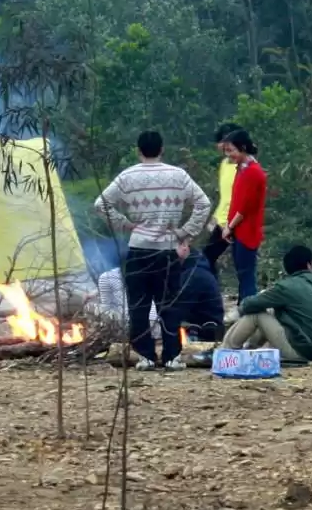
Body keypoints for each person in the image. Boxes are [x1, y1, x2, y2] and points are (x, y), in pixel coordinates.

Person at [93, 129, 212, 370]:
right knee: (169, 304)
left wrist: (126, 224)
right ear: (162, 149)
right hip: (167, 250)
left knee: (139, 305)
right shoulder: (178, 175)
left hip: (138, 249)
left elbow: (101, 204)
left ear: (138, 151)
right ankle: (171, 357)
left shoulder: (127, 177)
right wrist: (183, 232)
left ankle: (145, 357)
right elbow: (203, 203)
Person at [224, 244, 312, 364]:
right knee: (271, 312)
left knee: (257, 315)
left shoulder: (287, 287)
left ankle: (226, 351)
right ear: (309, 265)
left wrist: (237, 311)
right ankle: (249, 349)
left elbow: (251, 304)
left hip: (301, 353)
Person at [220, 126, 267, 301]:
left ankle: (249, 312)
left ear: (243, 148)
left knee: (247, 276)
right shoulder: (242, 169)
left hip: (247, 231)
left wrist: (229, 227)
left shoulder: (254, 172)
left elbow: (245, 208)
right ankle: (244, 308)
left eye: (231, 150)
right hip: (239, 230)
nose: (228, 155)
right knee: (242, 274)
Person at [160, 250, 226, 358]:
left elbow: (180, 307)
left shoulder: (193, 275)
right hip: (208, 322)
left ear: (184, 248)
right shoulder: (196, 269)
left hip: (204, 329)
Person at [203, 121, 241, 279]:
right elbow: (225, 197)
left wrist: (231, 224)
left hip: (235, 221)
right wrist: (213, 220)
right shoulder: (225, 164)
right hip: (221, 221)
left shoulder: (243, 166)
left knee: (241, 263)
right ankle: (213, 291)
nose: (218, 146)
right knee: (207, 257)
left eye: (221, 142)